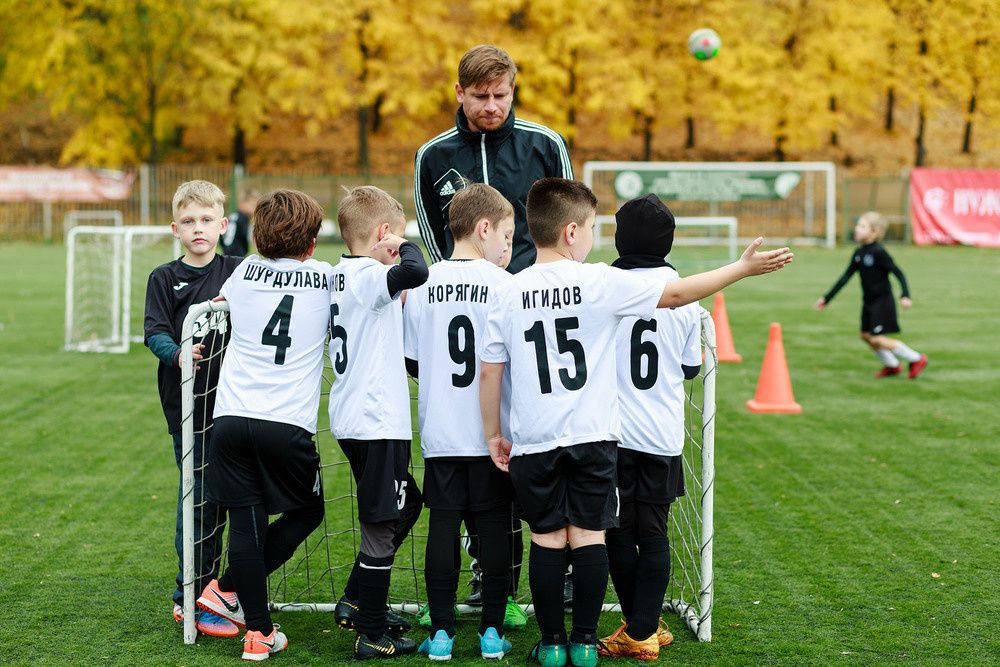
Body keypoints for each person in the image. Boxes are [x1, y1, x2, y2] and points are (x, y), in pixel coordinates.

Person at [479, 178, 792, 666]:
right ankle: (585, 642)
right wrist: (741, 268)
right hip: (595, 438)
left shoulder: (508, 290)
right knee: (587, 536)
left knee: (545, 540)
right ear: (570, 232)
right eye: (591, 228)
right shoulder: (600, 281)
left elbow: (491, 370)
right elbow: (677, 293)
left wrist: (494, 435)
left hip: (535, 437)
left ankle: (553, 645)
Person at [195, 189, 333, 661]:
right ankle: (229, 589)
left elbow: (226, 300)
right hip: (286, 423)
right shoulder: (326, 277)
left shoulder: (240, 274)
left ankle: (255, 628)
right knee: (309, 512)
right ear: (312, 244)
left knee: (246, 520)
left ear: (256, 235)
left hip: (230, 419)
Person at [402, 183, 516, 661]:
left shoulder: (422, 283)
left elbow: (412, 362)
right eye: (507, 236)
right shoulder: (507, 285)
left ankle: (443, 633)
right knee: (493, 530)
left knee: (444, 528)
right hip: (494, 435)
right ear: (483, 228)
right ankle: (491, 633)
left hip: (441, 430)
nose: (509, 247)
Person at [328, 186, 429, 659]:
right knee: (382, 523)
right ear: (384, 235)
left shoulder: (340, 273)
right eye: (397, 236)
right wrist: (401, 247)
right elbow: (416, 271)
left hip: (355, 416)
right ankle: (370, 631)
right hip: (375, 420)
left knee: (406, 504)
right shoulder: (369, 273)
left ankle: (357, 599)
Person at [600, 195, 700, 660]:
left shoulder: (604, 285)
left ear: (620, 237)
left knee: (618, 530)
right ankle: (643, 624)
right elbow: (691, 367)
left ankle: (639, 628)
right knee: (654, 530)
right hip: (662, 432)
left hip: (612, 433)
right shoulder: (686, 293)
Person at [143, 179, 243, 639]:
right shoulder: (164, 278)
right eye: (189, 221)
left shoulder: (240, 271)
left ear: (223, 224)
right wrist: (179, 353)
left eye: (206, 220)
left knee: (232, 500)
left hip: (238, 404)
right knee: (198, 500)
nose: (198, 228)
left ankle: (221, 589)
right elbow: (155, 332)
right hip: (188, 409)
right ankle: (189, 594)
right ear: (175, 228)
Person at [414, 44, 573, 274]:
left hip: (531, 290)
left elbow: (568, 222)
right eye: (480, 96)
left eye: (500, 96)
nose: (491, 107)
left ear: (512, 90)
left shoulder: (547, 145)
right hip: (465, 293)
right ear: (460, 92)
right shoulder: (432, 155)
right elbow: (433, 235)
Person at [814, 211, 928, 379]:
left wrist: (905, 295)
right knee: (865, 336)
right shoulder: (859, 253)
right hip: (868, 301)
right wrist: (827, 298)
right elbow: (845, 277)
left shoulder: (879, 252)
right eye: (858, 226)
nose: (857, 230)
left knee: (876, 339)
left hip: (883, 300)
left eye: (862, 227)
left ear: (874, 233)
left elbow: (898, 272)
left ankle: (917, 358)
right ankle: (893, 366)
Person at [221, 188, 259, 257]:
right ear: (243, 203)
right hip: (238, 255)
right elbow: (244, 236)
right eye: (252, 205)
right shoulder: (244, 217)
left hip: (226, 253)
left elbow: (222, 235)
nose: (254, 209)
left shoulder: (232, 216)